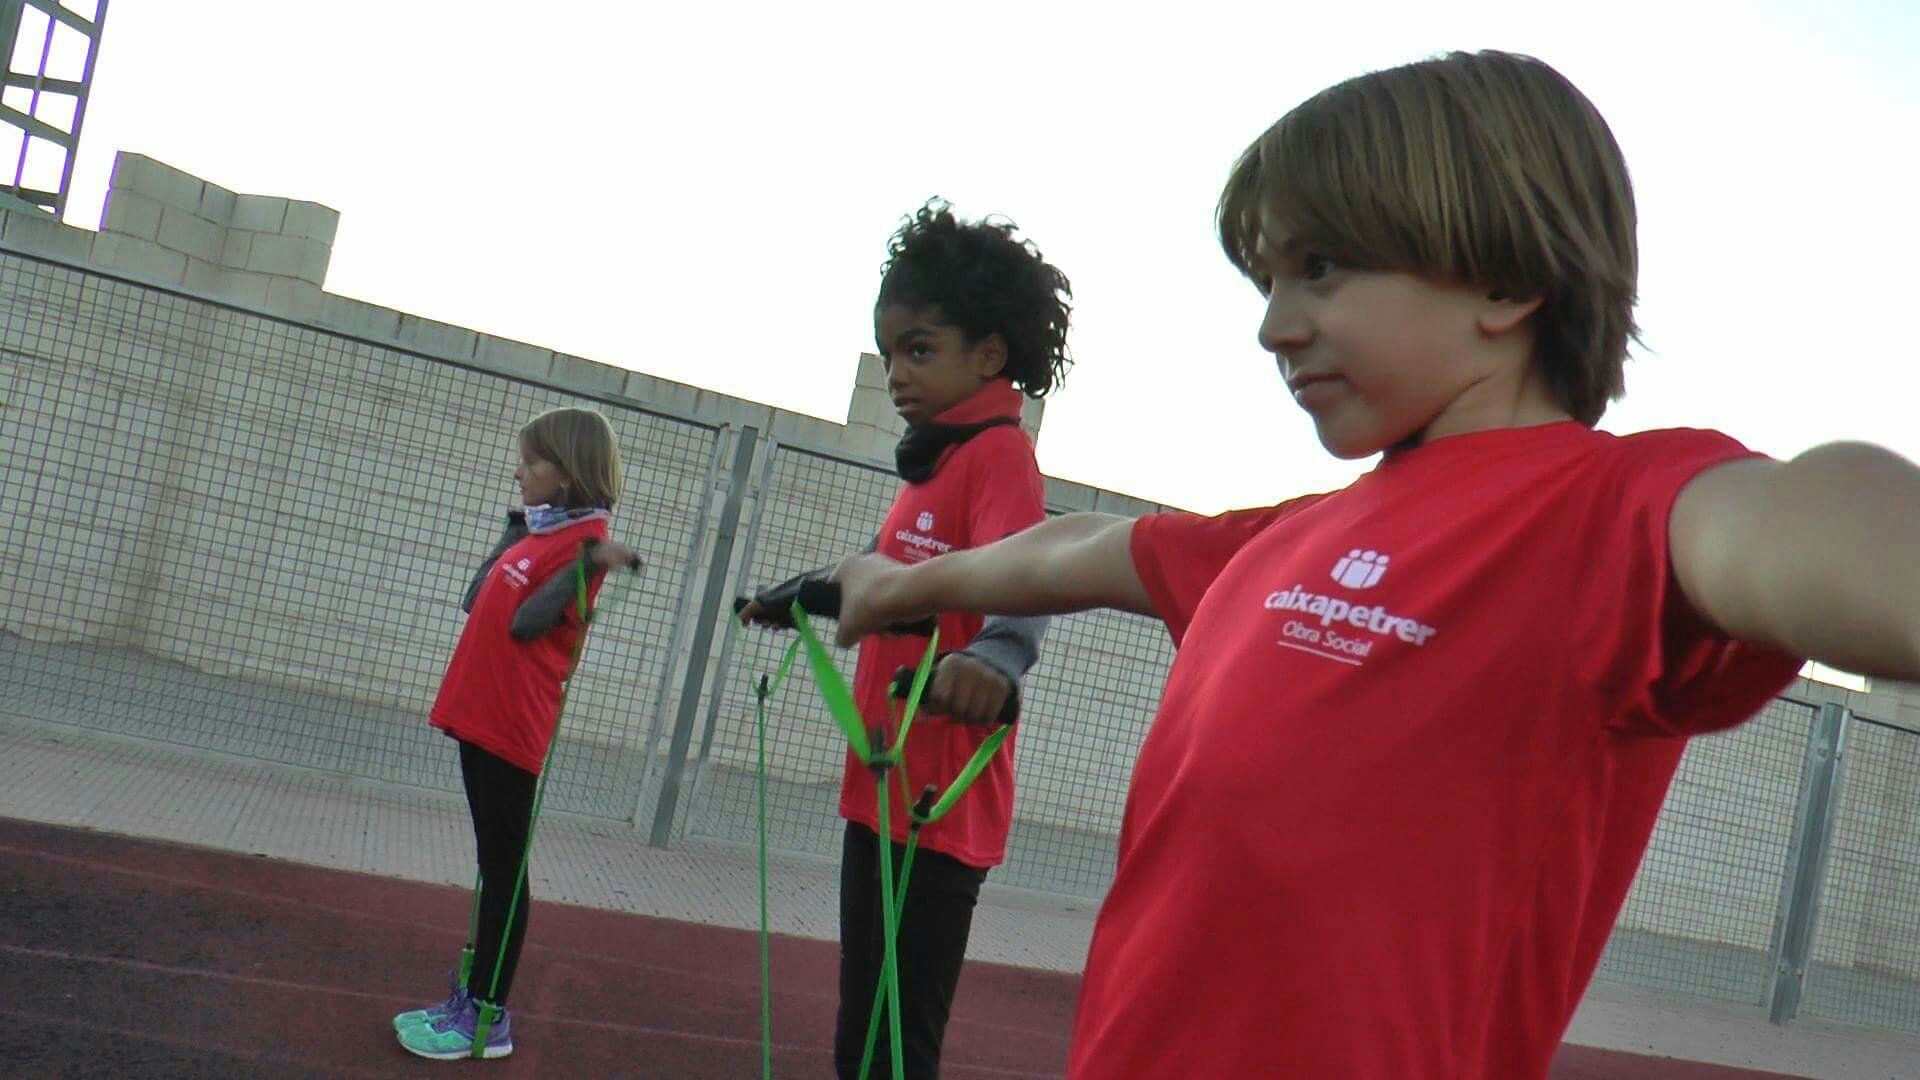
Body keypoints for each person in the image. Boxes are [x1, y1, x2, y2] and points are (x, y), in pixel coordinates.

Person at [827, 51, 1920, 1078]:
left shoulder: (1612, 513)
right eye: (1269, 278)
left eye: (1321, 269)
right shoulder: (1288, 538)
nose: (1273, 326)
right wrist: (900, 584)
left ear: (1502, 280)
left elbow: (1794, 519)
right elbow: (1079, 547)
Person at [741, 198, 1072, 1078]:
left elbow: (1026, 568)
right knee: (864, 1031)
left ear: (989, 356)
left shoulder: (997, 455)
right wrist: (801, 596)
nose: (896, 372)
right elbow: (894, 581)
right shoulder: (937, 464)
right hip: (883, 783)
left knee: (896, 1042)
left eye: (919, 349)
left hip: (938, 804)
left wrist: (998, 658)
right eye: (890, 353)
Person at [394, 406, 641, 1061]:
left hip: (512, 727)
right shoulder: (538, 536)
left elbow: (528, 622)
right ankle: (470, 1000)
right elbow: (476, 600)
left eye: (532, 462)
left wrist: (588, 565)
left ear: (568, 473)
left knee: (504, 872)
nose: (518, 470)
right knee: (492, 865)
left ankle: (487, 1017)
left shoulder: (584, 543)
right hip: (480, 716)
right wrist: (509, 536)